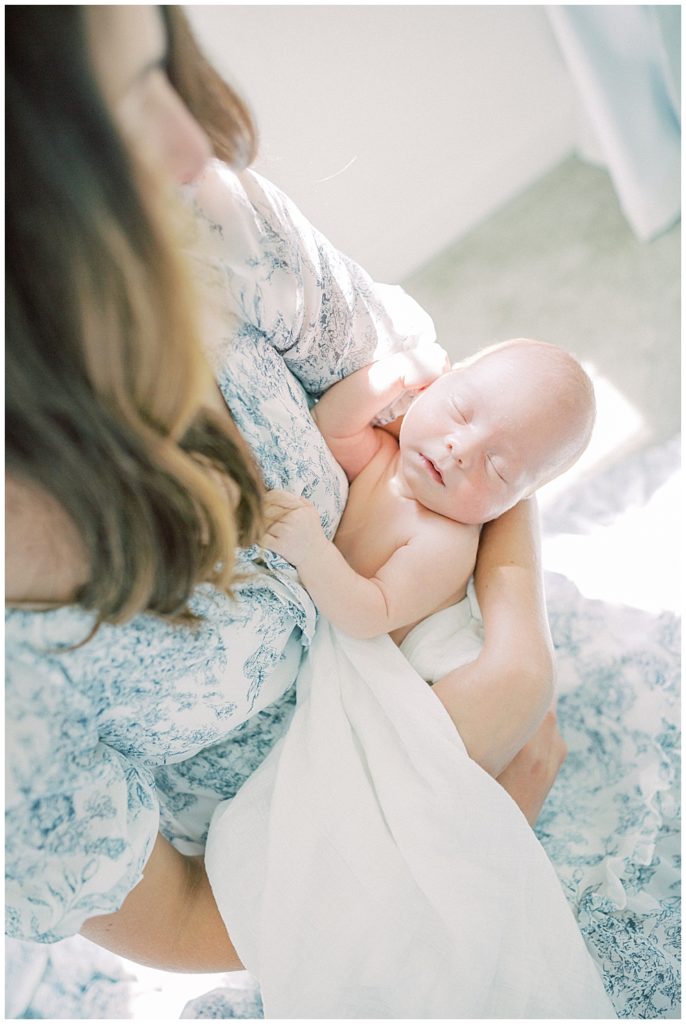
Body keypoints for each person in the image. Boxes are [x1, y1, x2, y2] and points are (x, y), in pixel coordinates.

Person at [6, 5, 565, 978]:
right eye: (116, 116)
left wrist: (516, 646)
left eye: (158, 71)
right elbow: (181, 920)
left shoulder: (205, 222)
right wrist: (436, 802)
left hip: (467, 650)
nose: (192, 146)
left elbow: (476, 429)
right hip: (308, 891)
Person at [262, 337, 595, 678]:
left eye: (497, 467)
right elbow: (330, 428)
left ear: (512, 504)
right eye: (460, 412)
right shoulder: (388, 459)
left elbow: (369, 614)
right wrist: (391, 376)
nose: (461, 449)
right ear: (435, 386)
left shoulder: (443, 543)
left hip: (377, 665)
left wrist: (312, 553)